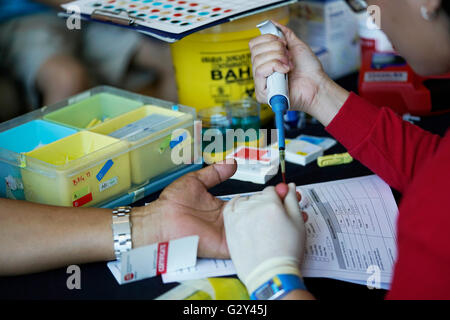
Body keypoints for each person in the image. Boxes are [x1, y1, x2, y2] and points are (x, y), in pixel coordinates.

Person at [224, 0, 450, 300]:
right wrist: (315, 92)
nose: (370, 15)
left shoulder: (436, 218)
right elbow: (434, 164)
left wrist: (272, 277)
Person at [0, 0, 177, 109]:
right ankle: (52, 166)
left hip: (86, 17)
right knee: (66, 79)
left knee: (174, 59)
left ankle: (162, 149)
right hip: (30, 18)